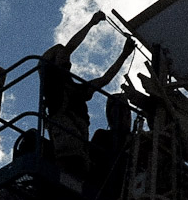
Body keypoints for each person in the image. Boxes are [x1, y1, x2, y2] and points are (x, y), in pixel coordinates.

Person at [39, 10, 135, 177]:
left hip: (79, 143)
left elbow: (105, 79)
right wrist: (91, 23)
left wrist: (124, 54)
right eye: (60, 55)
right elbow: (68, 49)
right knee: (69, 172)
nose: (65, 56)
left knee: (77, 175)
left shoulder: (76, 89)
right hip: (67, 141)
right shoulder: (52, 84)